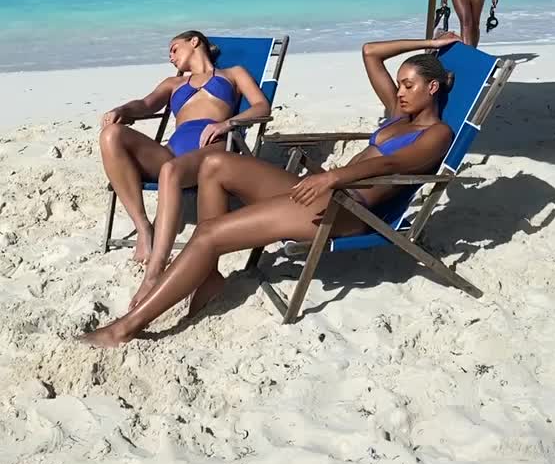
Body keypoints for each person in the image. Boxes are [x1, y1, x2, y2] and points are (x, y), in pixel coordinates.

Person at [80, 33, 460, 347]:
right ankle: (208, 275)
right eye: (399, 83)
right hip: (327, 191)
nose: (400, 91)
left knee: (209, 233)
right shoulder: (397, 114)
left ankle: (125, 328)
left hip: (349, 209)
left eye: (409, 85)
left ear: (432, 87)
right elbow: (370, 52)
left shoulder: (437, 133)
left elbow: (392, 164)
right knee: (214, 163)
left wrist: (334, 177)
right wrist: (430, 44)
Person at [99, 29, 271, 307]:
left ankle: (155, 272)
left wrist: (227, 124)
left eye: (174, 49)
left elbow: (262, 106)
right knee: (111, 135)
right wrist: (122, 110)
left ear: (194, 42)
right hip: (171, 153)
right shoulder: (173, 83)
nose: (170, 57)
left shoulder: (233, 74)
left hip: (212, 150)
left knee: (170, 171)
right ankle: (144, 227)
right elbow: (145, 104)